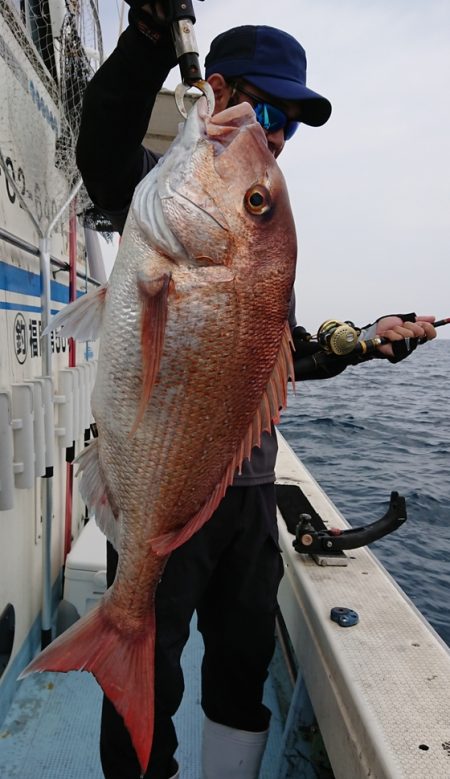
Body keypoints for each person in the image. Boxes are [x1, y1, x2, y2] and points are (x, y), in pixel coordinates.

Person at [76, 5, 436, 778]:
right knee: (149, 673)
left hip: (248, 497)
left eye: (289, 125)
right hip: (164, 487)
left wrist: (366, 339)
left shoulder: (254, 232)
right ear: (215, 91)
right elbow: (102, 144)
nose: (275, 137)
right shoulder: (164, 194)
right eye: (268, 111)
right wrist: (147, 40)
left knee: (241, 669)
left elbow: (278, 356)